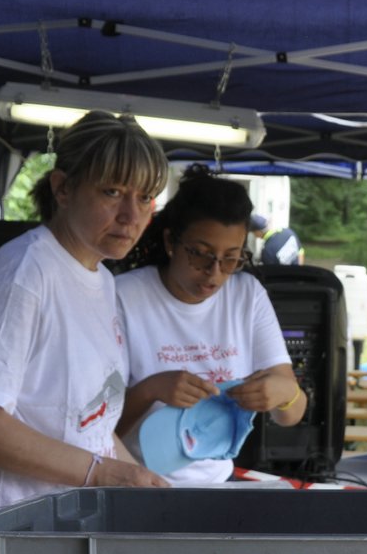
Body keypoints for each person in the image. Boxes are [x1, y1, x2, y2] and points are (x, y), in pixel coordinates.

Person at [0, 111, 172, 531]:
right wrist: (103, 473)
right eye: (112, 191)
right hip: (5, 534)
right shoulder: (24, 276)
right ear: (62, 188)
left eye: (145, 197)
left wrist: (142, 484)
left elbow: (90, 423)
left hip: (61, 532)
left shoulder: (101, 279)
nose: (130, 215)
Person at [115, 167, 307, 483]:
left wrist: (284, 394)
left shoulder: (247, 295)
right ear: (170, 242)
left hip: (216, 484)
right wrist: (150, 390)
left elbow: (291, 414)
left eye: (231, 258)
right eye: (201, 255)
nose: (214, 273)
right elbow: (90, 430)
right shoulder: (123, 297)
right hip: (134, 481)